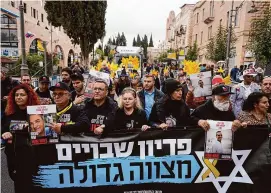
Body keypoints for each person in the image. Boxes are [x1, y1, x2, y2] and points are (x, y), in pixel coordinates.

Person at [1, 84, 40, 189]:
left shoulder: (37, 113)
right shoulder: (9, 113)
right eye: (16, 95)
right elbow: (3, 129)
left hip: (33, 156)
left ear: (29, 96)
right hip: (14, 156)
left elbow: (41, 130)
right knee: (19, 186)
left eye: (22, 95)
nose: (18, 97)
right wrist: (4, 134)